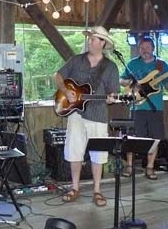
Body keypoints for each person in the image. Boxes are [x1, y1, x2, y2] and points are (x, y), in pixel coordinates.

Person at [53, 26, 120, 207]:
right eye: (90, 38)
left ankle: (97, 191)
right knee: (74, 151)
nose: (90, 41)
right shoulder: (76, 61)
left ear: (103, 43)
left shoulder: (111, 67)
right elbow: (57, 76)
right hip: (75, 114)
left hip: (98, 114)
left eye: (94, 39)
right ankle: (75, 187)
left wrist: (111, 99)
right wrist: (66, 92)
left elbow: (113, 93)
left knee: (98, 154)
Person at [120, 37, 168, 180]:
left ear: (153, 48)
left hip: (155, 108)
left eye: (147, 47)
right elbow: (121, 80)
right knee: (132, 137)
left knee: (155, 139)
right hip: (137, 107)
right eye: (142, 48)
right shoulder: (132, 64)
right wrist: (130, 82)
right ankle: (129, 166)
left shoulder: (161, 65)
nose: (145, 50)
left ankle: (150, 167)